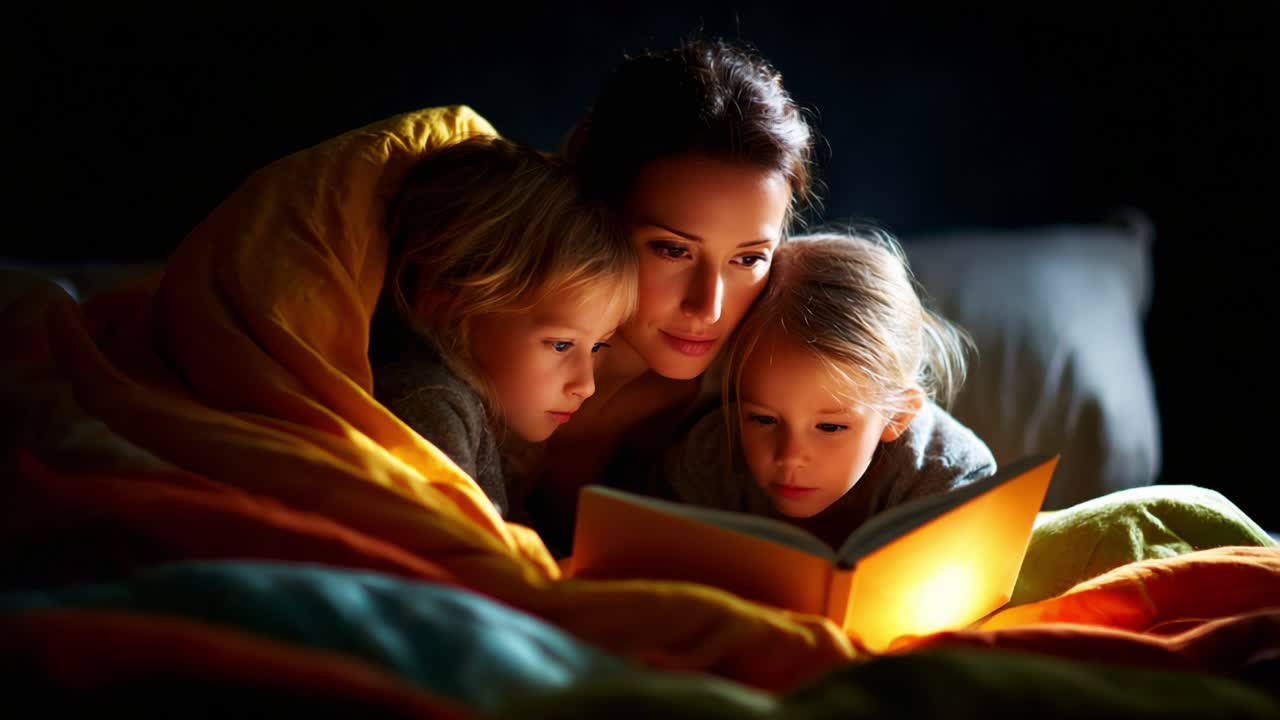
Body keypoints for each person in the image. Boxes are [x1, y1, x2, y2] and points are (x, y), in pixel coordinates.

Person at [523, 38, 818, 554]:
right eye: (672, 250)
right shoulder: (484, 343)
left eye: (748, 259)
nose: (709, 308)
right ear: (598, 211)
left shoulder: (755, 380)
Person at [660, 230, 997, 550]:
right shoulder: (707, 460)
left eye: (830, 427)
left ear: (897, 413)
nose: (789, 456)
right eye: (762, 419)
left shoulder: (952, 482)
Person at [368, 135, 637, 519]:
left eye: (596, 348)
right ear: (447, 305)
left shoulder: (496, 415)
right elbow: (457, 554)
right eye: (561, 345)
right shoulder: (429, 402)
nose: (587, 384)